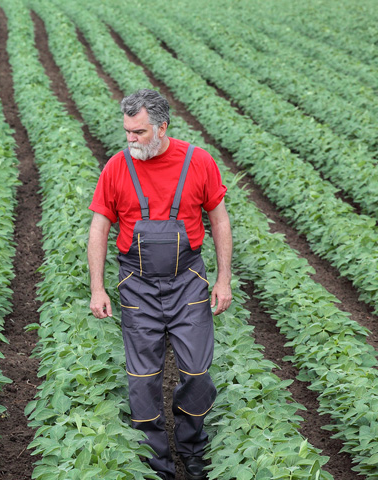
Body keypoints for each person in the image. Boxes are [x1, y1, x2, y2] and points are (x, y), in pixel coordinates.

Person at [87, 89, 232, 480]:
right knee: (143, 382)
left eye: (138, 132)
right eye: (127, 132)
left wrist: (223, 278)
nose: (130, 140)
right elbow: (99, 229)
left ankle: (190, 445)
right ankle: (158, 464)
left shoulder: (198, 162)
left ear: (162, 127)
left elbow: (219, 220)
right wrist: (97, 288)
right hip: (137, 285)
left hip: (188, 281)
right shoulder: (117, 168)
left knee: (198, 374)